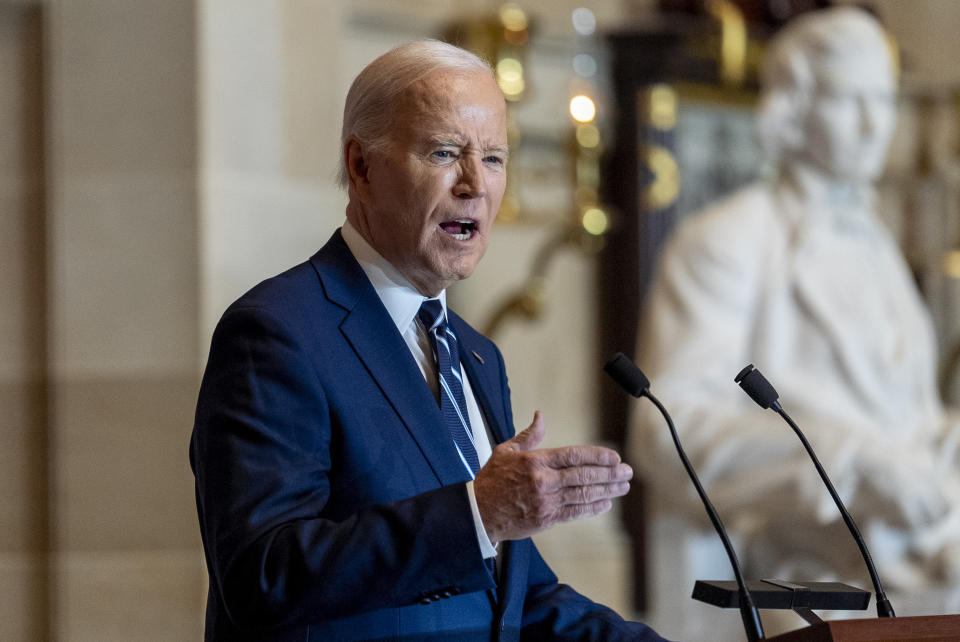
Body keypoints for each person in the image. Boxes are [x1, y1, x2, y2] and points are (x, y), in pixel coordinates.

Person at [190, 40, 666, 641]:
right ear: (361, 166)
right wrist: (479, 514)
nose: (475, 185)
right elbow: (262, 575)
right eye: (445, 153)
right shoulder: (277, 332)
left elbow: (518, 599)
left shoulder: (475, 353)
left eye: (494, 159)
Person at [631, 5, 960, 602]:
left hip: (922, 543)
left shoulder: (878, 243)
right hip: (803, 567)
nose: (870, 126)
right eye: (846, 99)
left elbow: (908, 416)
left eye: (882, 101)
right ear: (793, 105)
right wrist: (853, 461)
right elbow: (666, 428)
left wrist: (943, 440)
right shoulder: (726, 239)